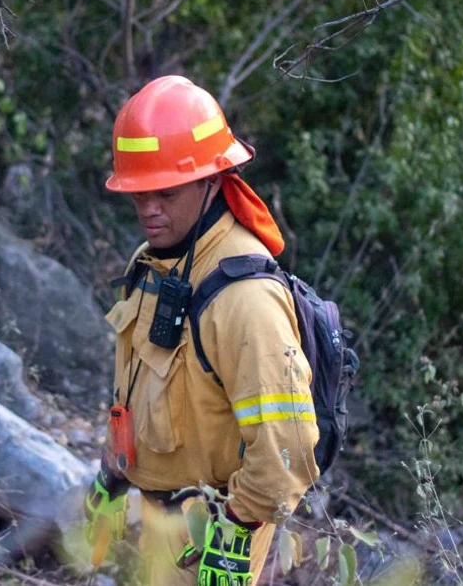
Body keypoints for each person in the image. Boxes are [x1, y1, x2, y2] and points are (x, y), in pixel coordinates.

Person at [84, 75, 319, 586]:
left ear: (212, 180)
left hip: (214, 532)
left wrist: (236, 533)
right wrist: (112, 474)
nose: (148, 209)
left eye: (165, 192)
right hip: (155, 518)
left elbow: (289, 445)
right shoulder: (153, 264)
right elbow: (142, 386)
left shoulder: (245, 298)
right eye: (139, 193)